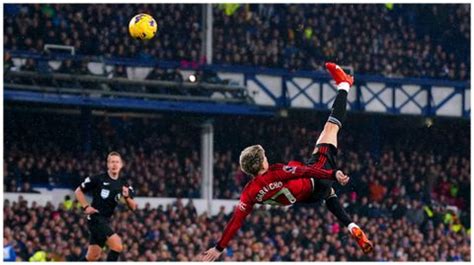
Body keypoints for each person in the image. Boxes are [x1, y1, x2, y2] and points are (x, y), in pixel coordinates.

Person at [197, 63, 373, 261]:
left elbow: (235, 222)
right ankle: (345, 85)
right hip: (317, 177)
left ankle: (352, 226)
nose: (267, 157)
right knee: (330, 129)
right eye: (264, 156)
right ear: (261, 163)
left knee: (328, 193)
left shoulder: (249, 192)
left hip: (308, 198)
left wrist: (220, 247)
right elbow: (306, 171)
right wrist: (333, 174)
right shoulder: (276, 171)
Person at [74, 152, 137, 261]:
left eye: (117, 162)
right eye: (112, 162)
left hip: (105, 220)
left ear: (121, 165)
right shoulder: (98, 179)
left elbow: (133, 207)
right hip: (95, 218)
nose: (114, 165)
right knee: (117, 245)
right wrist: (86, 207)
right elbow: (78, 191)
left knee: (92, 257)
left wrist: (127, 197)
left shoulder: (124, 184)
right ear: (108, 164)